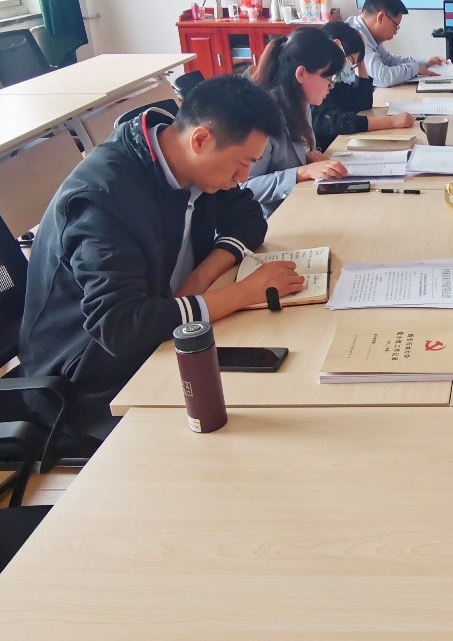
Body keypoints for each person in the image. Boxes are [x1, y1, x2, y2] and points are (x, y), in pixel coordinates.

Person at [20, 77, 307, 447]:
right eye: (241, 164)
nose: (244, 177)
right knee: (241, 432)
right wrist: (243, 293)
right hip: (88, 379)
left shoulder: (191, 162)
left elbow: (249, 219)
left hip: (162, 329)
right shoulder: (105, 200)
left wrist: (201, 277)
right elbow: (120, 327)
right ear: (201, 140)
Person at [245, 26, 350, 216]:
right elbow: (245, 187)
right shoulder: (261, 116)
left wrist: (309, 156)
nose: (331, 85)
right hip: (272, 218)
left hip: (301, 203)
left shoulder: (300, 101)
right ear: (301, 74)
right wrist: (302, 172)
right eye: (327, 77)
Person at [313, 21, 414, 152]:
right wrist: (392, 122)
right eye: (351, 61)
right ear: (337, 47)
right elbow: (337, 122)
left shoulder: (334, 84)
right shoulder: (315, 85)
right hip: (326, 152)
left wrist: (361, 59)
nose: (350, 67)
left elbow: (363, 102)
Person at [345, 0, 445, 87]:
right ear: (381, 17)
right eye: (395, 26)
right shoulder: (354, 35)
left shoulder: (368, 34)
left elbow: (388, 61)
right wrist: (416, 69)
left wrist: (424, 64)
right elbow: (382, 77)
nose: (395, 32)